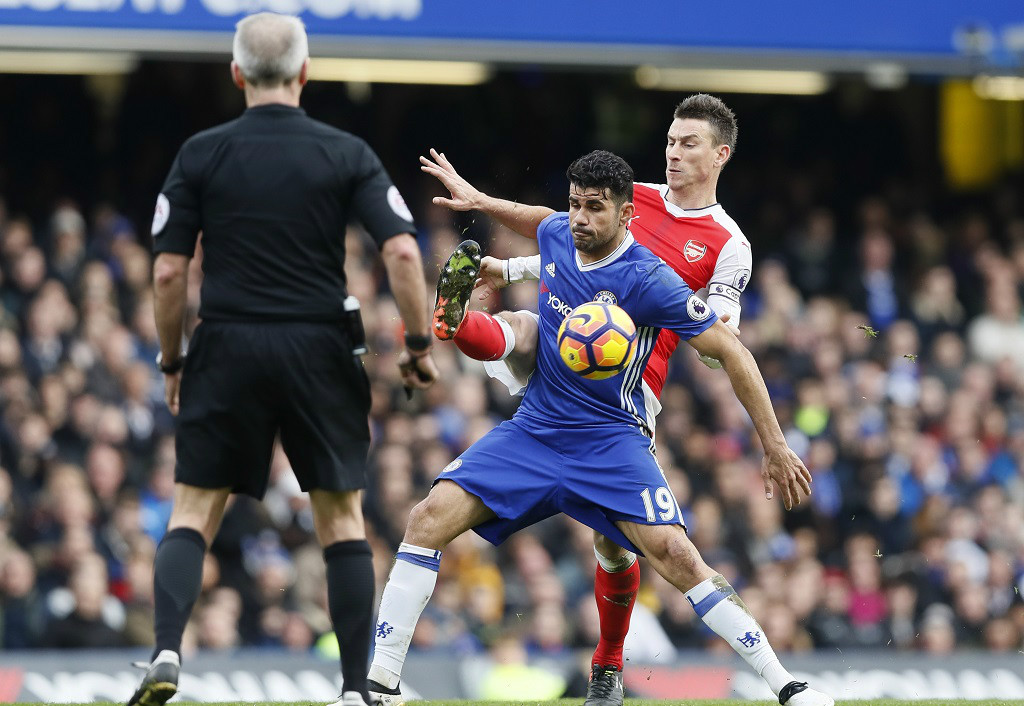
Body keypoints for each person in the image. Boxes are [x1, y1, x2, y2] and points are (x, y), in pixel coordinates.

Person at [367, 150, 832, 706]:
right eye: (575, 204)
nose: (580, 218)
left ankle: (785, 684)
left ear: (626, 214)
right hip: (536, 427)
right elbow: (536, 218)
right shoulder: (559, 233)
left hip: (611, 438)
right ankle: (380, 684)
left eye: (595, 208)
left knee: (676, 558)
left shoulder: (650, 280)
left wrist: (775, 444)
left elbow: (731, 353)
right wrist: (480, 201)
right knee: (426, 518)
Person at [127, 13, 437, 706]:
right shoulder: (345, 151)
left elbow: (170, 271)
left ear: (237, 74)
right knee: (339, 516)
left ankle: (167, 649)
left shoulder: (200, 153)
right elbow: (404, 250)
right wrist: (417, 346)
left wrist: (173, 360)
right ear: (305, 73)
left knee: (194, 508)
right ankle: (356, 690)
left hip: (228, 341)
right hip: (319, 345)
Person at [421, 94, 750, 703]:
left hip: (626, 391)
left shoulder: (728, 244)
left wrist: (707, 327)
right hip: (563, 352)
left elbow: (718, 335)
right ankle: (456, 321)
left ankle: (610, 660)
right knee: (526, 328)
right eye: (672, 141)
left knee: (615, 545)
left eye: (689, 144)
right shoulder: (633, 199)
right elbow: (561, 233)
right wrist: (494, 234)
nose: (674, 153)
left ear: (720, 154)